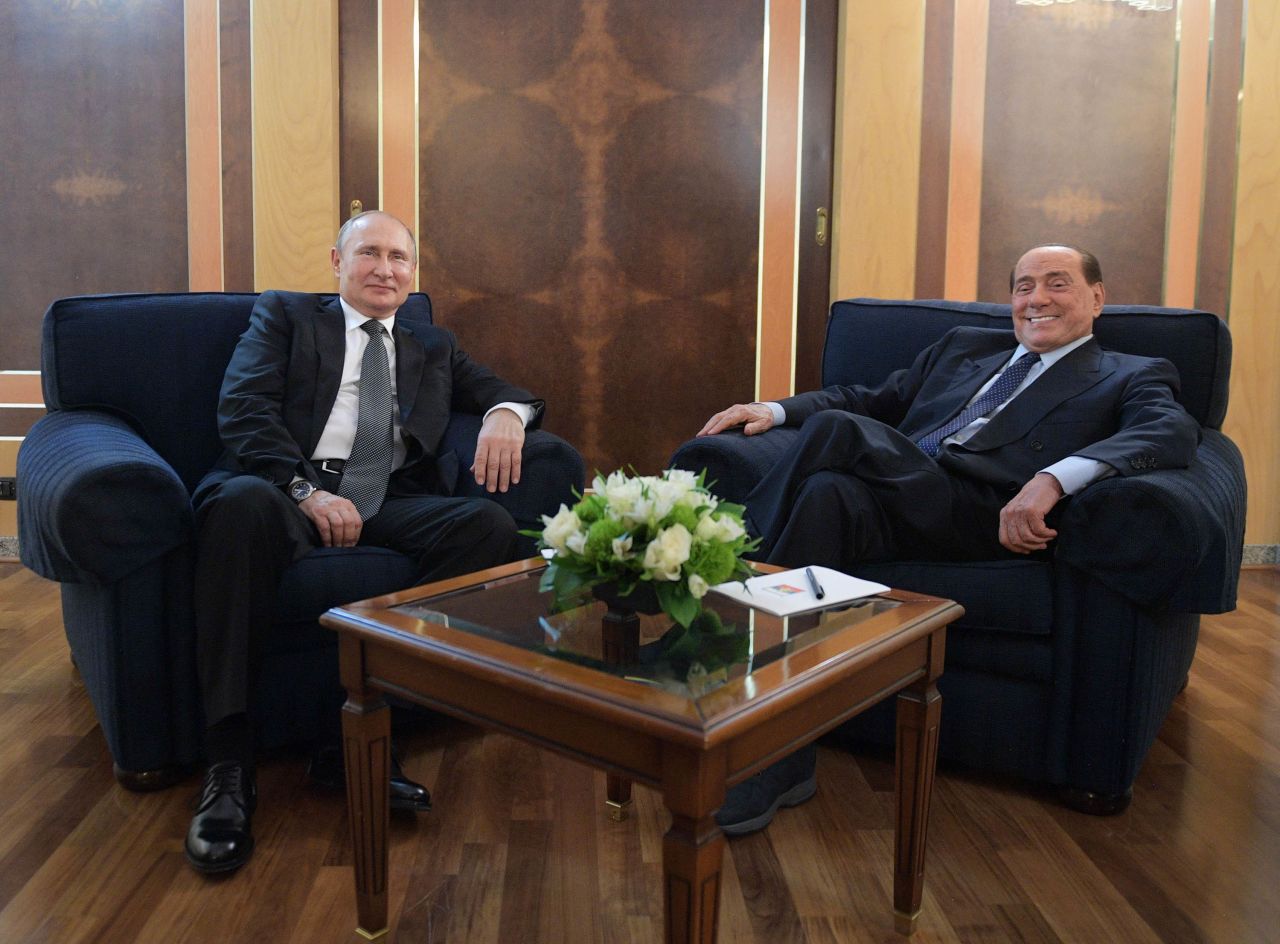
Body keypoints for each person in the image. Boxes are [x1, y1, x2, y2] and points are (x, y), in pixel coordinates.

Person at [696, 244, 1200, 835]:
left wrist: (1054, 478)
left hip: (984, 514)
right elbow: (868, 399)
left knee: (838, 435)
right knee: (826, 491)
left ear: (1096, 297)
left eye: (1057, 284)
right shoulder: (964, 348)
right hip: (900, 491)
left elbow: (1172, 432)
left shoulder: (1130, 372)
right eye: (1023, 287)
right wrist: (774, 408)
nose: (1036, 299)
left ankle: (713, 568)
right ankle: (782, 760)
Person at [184, 211, 543, 875]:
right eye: (369, 253)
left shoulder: (433, 344)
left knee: (488, 529)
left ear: (413, 273)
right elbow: (244, 409)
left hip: (390, 498)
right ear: (337, 262)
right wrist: (307, 493)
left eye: (399, 258)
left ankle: (359, 732)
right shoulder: (287, 317)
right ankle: (228, 766)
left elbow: (506, 392)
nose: (386, 268)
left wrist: (502, 416)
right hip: (286, 486)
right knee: (237, 509)